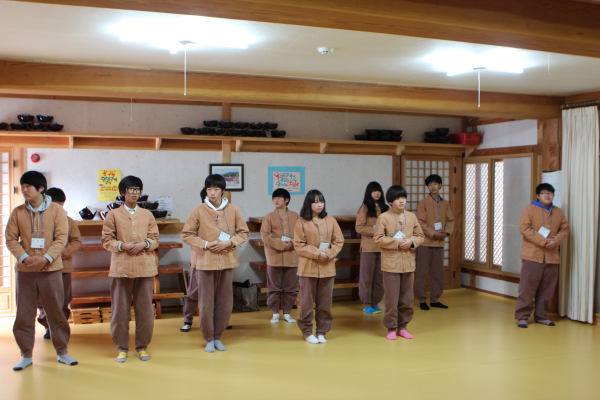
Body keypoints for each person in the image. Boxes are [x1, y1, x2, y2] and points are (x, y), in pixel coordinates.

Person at [6, 171, 76, 370]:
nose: (24, 190)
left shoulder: (57, 211)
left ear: (41, 188)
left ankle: (62, 352)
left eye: (28, 186)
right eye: (22, 186)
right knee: (24, 314)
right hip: (25, 271)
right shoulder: (18, 212)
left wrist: (46, 258)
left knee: (56, 312)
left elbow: (61, 238)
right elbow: (10, 239)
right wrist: (25, 258)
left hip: (51, 270)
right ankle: (26, 355)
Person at [181, 175, 249, 352]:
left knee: (225, 302)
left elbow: (244, 232)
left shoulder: (233, 210)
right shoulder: (198, 210)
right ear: (206, 190)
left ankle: (218, 336)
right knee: (206, 303)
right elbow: (186, 234)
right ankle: (208, 338)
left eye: (216, 189)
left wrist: (230, 243)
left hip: (227, 262)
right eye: (209, 189)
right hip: (205, 262)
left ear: (223, 190)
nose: (212, 192)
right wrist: (205, 244)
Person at [101, 175, 159, 362]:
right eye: (131, 189)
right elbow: (106, 240)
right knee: (120, 310)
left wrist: (144, 244)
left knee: (145, 310)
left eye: (137, 190)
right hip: (121, 267)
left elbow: (155, 239)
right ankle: (122, 348)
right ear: (122, 192)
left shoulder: (148, 215)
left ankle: (142, 347)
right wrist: (123, 246)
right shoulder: (113, 215)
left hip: (145, 267)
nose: (135, 193)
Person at [293, 190, 344, 344]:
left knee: (325, 303)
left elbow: (339, 241)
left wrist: (328, 253)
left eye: (321, 201)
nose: (319, 204)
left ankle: (322, 331)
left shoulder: (331, 220)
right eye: (315, 202)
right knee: (306, 303)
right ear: (309, 204)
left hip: (327, 268)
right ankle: (307, 331)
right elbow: (299, 245)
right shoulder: (301, 222)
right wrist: (317, 253)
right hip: (308, 268)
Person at [515, 183, 569, 328]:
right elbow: (524, 228)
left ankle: (542, 316)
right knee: (527, 289)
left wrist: (555, 240)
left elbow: (565, 230)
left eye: (550, 193)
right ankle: (522, 317)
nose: (547, 195)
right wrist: (543, 241)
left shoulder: (559, 212)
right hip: (532, 255)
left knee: (547, 290)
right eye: (544, 193)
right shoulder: (529, 209)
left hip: (552, 256)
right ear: (538, 196)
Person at [374, 185, 424, 341]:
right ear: (390, 201)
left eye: (403, 198)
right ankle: (391, 328)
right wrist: (396, 242)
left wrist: (411, 241)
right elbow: (378, 239)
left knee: (407, 298)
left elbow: (420, 236)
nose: (402, 201)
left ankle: (403, 327)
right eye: (397, 199)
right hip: (391, 265)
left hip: (408, 263)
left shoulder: (412, 216)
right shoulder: (383, 217)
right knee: (391, 299)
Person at [37, 188, 82, 340]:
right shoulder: (38, 220)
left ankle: (60, 328)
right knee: (42, 300)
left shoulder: (69, 221)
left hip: (63, 267)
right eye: (53, 203)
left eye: (60, 203)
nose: (56, 206)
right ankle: (48, 327)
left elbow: (76, 241)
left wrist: (65, 252)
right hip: (44, 267)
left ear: (63, 204)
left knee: (63, 300)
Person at [261, 188, 300, 323]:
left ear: (287, 200)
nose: (276, 200)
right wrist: (282, 245)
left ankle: (287, 312)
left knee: (291, 286)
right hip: (274, 256)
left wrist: (292, 243)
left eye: (279, 198)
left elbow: (302, 234)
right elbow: (265, 236)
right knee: (273, 286)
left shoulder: (296, 216)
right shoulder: (269, 217)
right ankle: (275, 313)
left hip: (293, 256)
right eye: (274, 198)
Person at [416, 174, 455, 310]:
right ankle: (422, 300)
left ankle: (435, 299)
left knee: (438, 273)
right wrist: (433, 233)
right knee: (422, 272)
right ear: (427, 187)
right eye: (430, 184)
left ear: (440, 185)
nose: (433, 187)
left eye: (435, 184)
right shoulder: (423, 202)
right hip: (425, 243)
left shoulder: (445, 203)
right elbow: (420, 222)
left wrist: (447, 233)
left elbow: (451, 220)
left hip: (440, 243)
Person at [356, 181, 389, 314]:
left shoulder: (385, 208)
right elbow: (359, 228)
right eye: (374, 191)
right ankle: (366, 304)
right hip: (368, 248)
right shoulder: (364, 208)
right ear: (369, 193)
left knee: (379, 279)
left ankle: (375, 303)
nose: (377, 193)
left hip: (383, 248)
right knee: (366, 278)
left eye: (379, 191)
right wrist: (377, 232)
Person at [180, 187, 206, 333]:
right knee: (193, 292)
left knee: (217, 294)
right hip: (199, 260)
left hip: (218, 262)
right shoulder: (197, 213)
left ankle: (220, 320)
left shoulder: (222, 214)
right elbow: (188, 236)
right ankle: (188, 320)